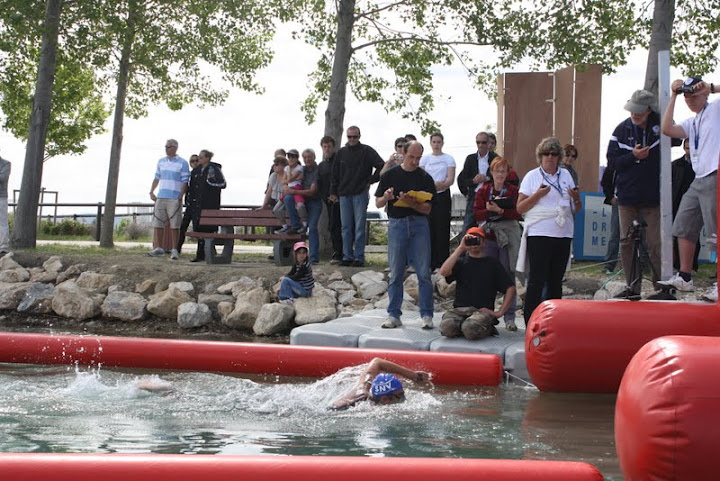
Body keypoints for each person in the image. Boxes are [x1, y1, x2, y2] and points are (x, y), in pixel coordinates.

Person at [607, 90, 679, 298]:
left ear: (649, 110)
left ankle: (663, 287)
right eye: (632, 110)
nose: (634, 114)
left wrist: (666, 116)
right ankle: (632, 287)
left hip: (653, 199)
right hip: (627, 198)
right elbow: (612, 162)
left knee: (656, 244)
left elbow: (677, 138)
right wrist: (633, 156)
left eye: (639, 110)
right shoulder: (620, 130)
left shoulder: (660, 125)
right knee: (626, 242)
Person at [661, 77, 719, 301]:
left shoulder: (715, 108)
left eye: (693, 95)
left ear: (703, 94)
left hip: (715, 174)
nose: (690, 100)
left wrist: (711, 88)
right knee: (683, 224)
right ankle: (685, 276)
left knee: (716, 232)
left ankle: (719, 282)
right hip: (699, 178)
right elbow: (667, 129)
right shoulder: (692, 122)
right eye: (686, 96)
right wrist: (673, 96)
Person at [516, 137, 581, 324]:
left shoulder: (566, 175)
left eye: (553, 154)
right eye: (546, 154)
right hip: (540, 232)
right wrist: (537, 195)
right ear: (540, 156)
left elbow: (576, 208)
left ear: (559, 157)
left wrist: (576, 199)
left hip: (562, 233)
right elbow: (520, 208)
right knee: (537, 279)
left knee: (556, 281)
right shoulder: (532, 176)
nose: (550, 157)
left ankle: (554, 322)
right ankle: (530, 321)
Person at [375, 141, 436, 329]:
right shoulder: (390, 175)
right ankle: (393, 314)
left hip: (419, 224)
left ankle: (427, 315)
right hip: (397, 224)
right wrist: (386, 197)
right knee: (395, 272)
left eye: (418, 158)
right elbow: (378, 203)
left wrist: (411, 202)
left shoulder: (425, 177)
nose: (415, 161)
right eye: (411, 157)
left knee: (424, 272)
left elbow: (428, 209)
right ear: (403, 153)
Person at [473, 157, 522, 330]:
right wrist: (490, 211)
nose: (500, 174)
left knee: (508, 275)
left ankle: (509, 317)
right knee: (487, 276)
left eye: (503, 171)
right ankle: (487, 316)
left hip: (508, 238)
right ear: (491, 172)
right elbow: (476, 214)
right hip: (490, 237)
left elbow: (518, 213)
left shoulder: (514, 191)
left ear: (507, 173)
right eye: (497, 171)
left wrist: (500, 210)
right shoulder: (483, 190)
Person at [438, 227, 516, 337]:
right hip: (460, 310)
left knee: (470, 328)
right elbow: (444, 272)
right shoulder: (461, 262)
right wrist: (461, 248)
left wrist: (499, 312)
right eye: (470, 240)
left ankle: (485, 328)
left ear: (484, 242)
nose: (474, 243)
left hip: (481, 311)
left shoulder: (492, 264)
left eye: (478, 239)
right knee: (447, 328)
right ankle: (462, 327)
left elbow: (510, 288)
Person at [330, 126, 384, 267]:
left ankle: (359, 257)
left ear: (359, 136)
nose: (352, 139)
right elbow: (334, 174)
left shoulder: (367, 151)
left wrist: (371, 180)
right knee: (345, 227)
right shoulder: (341, 153)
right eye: (350, 137)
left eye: (355, 137)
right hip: (344, 194)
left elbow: (381, 166)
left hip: (360, 193)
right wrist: (333, 192)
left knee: (359, 227)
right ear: (347, 137)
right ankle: (347, 256)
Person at [330, 357, 430, 410]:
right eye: (401, 396)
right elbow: (332, 410)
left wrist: (414, 376)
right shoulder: (356, 400)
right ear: (385, 399)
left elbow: (377, 362)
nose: (405, 399)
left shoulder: (366, 383)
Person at [148, 139, 190, 260]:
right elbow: (157, 177)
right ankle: (158, 247)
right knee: (158, 222)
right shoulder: (161, 161)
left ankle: (174, 249)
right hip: (161, 195)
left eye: (169, 146)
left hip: (174, 197)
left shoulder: (182, 163)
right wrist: (152, 191)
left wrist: (180, 195)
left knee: (174, 224)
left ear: (175, 148)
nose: (166, 149)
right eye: (166, 146)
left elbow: (185, 181)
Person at [420, 132, 456, 270]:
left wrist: (442, 184)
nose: (436, 144)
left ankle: (442, 262)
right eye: (434, 142)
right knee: (428, 228)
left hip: (443, 195)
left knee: (442, 228)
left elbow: (450, 179)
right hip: (428, 195)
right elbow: (421, 177)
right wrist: (432, 185)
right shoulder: (425, 159)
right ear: (430, 143)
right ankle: (429, 262)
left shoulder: (448, 159)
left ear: (442, 143)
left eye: (438, 142)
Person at [186, 149, 226, 262]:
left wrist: (210, 181)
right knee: (198, 229)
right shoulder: (196, 171)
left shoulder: (214, 169)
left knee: (208, 230)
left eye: (201, 157)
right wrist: (189, 200)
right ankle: (201, 255)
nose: (199, 159)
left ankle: (206, 254)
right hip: (197, 205)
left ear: (207, 158)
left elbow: (222, 184)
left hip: (210, 205)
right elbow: (191, 187)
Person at [285, 149, 322, 263]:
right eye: (305, 157)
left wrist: (294, 191)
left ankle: (314, 257)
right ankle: (295, 225)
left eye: (309, 157)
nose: (307, 160)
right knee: (288, 198)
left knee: (313, 228)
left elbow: (312, 191)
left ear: (314, 157)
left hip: (314, 201)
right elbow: (288, 181)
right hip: (302, 200)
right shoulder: (301, 169)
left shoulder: (317, 170)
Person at [457, 132, 498, 236]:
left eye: (483, 142)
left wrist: (486, 178)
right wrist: (472, 182)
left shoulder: (495, 158)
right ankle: (464, 246)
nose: (480, 145)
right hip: (474, 195)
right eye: (478, 142)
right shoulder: (470, 159)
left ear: (488, 143)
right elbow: (462, 179)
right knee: (468, 226)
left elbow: (500, 176)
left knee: (492, 226)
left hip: (490, 196)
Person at [671, 138, 699, 271]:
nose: (689, 151)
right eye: (687, 148)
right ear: (684, 148)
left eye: (691, 148)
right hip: (677, 202)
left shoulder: (700, 165)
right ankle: (677, 265)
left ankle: (691, 266)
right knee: (677, 233)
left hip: (696, 202)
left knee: (693, 234)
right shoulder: (675, 165)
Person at [318, 136, 343, 264]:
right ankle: (337, 253)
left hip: (341, 200)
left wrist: (336, 196)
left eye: (329, 146)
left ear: (333, 147)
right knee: (332, 227)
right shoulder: (321, 166)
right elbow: (320, 185)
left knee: (341, 227)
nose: (327, 149)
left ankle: (342, 254)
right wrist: (327, 198)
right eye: (325, 146)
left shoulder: (339, 162)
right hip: (328, 201)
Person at [277, 149, 305, 233]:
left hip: (297, 189)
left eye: (293, 157)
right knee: (277, 209)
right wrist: (291, 179)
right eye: (289, 157)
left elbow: (289, 179)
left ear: (297, 158)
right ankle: (285, 226)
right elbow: (283, 181)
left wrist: (289, 171)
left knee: (300, 206)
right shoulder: (286, 168)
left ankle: (302, 224)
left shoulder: (299, 168)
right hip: (288, 190)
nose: (291, 159)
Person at [176, 154, 199, 255]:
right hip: (189, 205)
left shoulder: (201, 175)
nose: (194, 163)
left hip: (197, 206)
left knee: (198, 228)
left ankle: (203, 251)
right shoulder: (189, 175)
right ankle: (177, 249)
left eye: (196, 160)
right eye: (192, 161)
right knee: (183, 227)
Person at [600, 163, 620, 274]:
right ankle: (609, 265)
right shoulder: (615, 162)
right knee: (615, 233)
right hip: (619, 201)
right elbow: (605, 181)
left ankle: (640, 264)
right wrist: (610, 196)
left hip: (637, 200)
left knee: (639, 234)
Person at [0, 153, 10, 255]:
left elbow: (2, 178)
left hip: (1, 197)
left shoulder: (6, 164)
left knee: (2, 222)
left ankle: (4, 246)